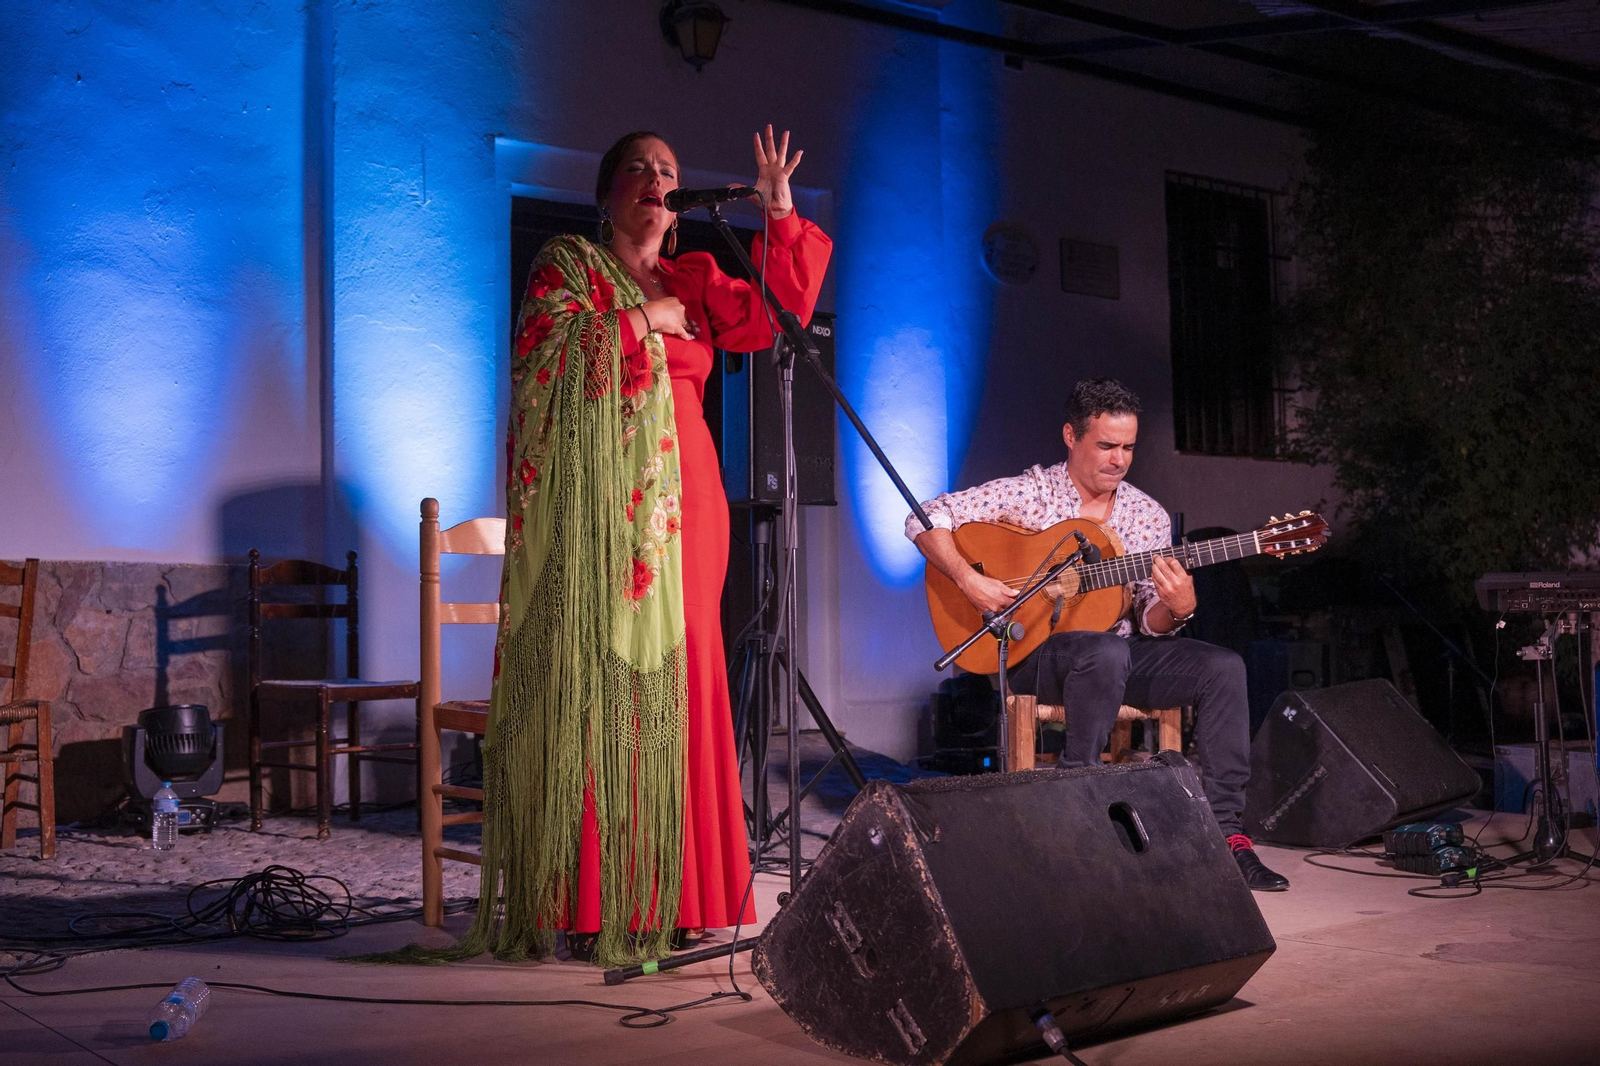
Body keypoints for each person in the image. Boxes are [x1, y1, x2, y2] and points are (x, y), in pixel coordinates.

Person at [466, 127, 832, 967]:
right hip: (600, 506)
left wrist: (779, 211)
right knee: (607, 685)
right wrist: (638, 321)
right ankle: (597, 900)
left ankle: (682, 891)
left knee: (686, 680)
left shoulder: (694, 278)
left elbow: (777, 317)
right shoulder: (566, 266)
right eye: (636, 166)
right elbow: (541, 361)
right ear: (605, 194)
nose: (655, 179)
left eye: (669, 169)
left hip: (686, 498)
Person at [907, 378, 1290, 891]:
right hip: (1034, 654)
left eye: (1128, 447)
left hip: (1117, 656)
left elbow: (1151, 624)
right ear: (1072, 436)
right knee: (1104, 651)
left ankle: (1225, 836)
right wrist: (970, 579)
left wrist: (1177, 610)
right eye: (1106, 445)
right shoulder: (1030, 493)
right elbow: (924, 516)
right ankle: (1078, 805)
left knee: (1222, 667)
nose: (1119, 460)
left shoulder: (1144, 514)